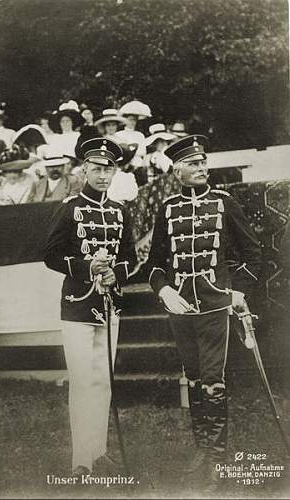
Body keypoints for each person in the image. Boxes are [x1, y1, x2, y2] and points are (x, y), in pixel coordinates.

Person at [147, 135, 262, 493]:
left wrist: (238, 291)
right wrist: (164, 289)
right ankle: (202, 451)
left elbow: (253, 254)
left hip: (215, 304)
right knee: (194, 379)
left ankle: (217, 460)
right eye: (193, 164)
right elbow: (154, 264)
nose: (201, 168)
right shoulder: (167, 207)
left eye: (203, 162)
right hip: (181, 307)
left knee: (213, 380)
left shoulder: (224, 203)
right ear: (177, 169)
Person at [44, 137, 137, 476]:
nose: (102, 175)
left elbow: (131, 258)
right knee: (83, 380)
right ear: (84, 170)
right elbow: (51, 255)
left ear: (114, 172)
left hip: (109, 307)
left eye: (108, 169)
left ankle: (99, 452)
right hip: (77, 307)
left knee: (104, 381)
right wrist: (87, 268)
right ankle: (80, 460)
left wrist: (115, 273)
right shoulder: (69, 207)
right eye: (96, 169)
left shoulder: (119, 210)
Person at [115, 100, 151, 168]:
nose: (132, 122)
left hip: (138, 164)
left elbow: (143, 152)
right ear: (125, 120)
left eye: (134, 120)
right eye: (130, 119)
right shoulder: (119, 134)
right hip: (123, 165)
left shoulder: (140, 135)